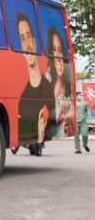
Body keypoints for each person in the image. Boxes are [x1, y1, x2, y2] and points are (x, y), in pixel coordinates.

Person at [16, 12, 56, 156]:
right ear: (21, 48)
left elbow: (51, 127)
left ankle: (37, 146)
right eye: (23, 39)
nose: (27, 44)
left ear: (35, 41)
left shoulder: (49, 91)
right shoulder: (22, 99)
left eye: (28, 37)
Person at [45, 26, 74, 138]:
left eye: (60, 51)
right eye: (54, 51)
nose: (58, 57)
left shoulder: (68, 91)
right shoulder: (48, 86)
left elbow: (72, 118)